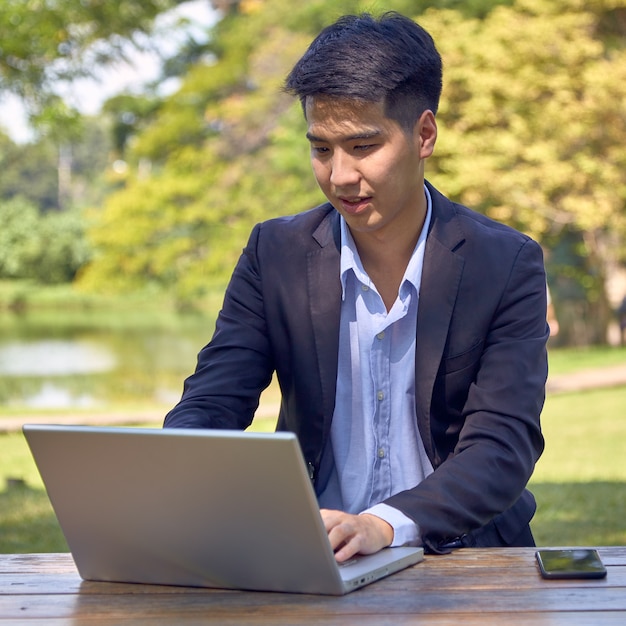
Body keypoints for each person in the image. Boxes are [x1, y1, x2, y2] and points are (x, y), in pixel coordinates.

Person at [164, 12, 549, 560]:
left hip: (465, 557)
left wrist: (384, 524)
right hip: (313, 557)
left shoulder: (505, 263)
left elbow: (502, 447)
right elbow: (214, 398)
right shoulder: (274, 253)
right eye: (321, 149)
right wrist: (176, 465)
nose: (339, 176)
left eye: (363, 147)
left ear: (424, 135)